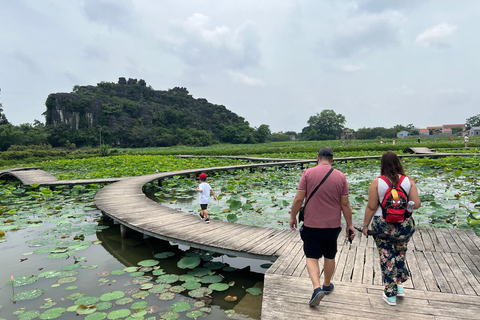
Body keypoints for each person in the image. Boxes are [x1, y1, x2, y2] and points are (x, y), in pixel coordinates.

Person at [289, 147, 355, 307]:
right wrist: (350, 225)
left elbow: (299, 199)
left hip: (312, 224)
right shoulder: (340, 176)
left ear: (317, 158)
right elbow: (345, 203)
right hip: (333, 225)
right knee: (330, 255)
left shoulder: (308, 174)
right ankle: (326, 285)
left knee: (312, 256)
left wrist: (293, 216)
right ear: (332, 160)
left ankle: (316, 288)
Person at [362, 151, 421, 306]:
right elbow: (417, 203)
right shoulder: (408, 181)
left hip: (383, 226)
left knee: (387, 257)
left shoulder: (377, 182)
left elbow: (371, 206)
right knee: (400, 254)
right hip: (404, 225)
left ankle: (390, 294)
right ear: (398, 163)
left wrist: (365, 226)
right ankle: (399, 286)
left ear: (383, 164)